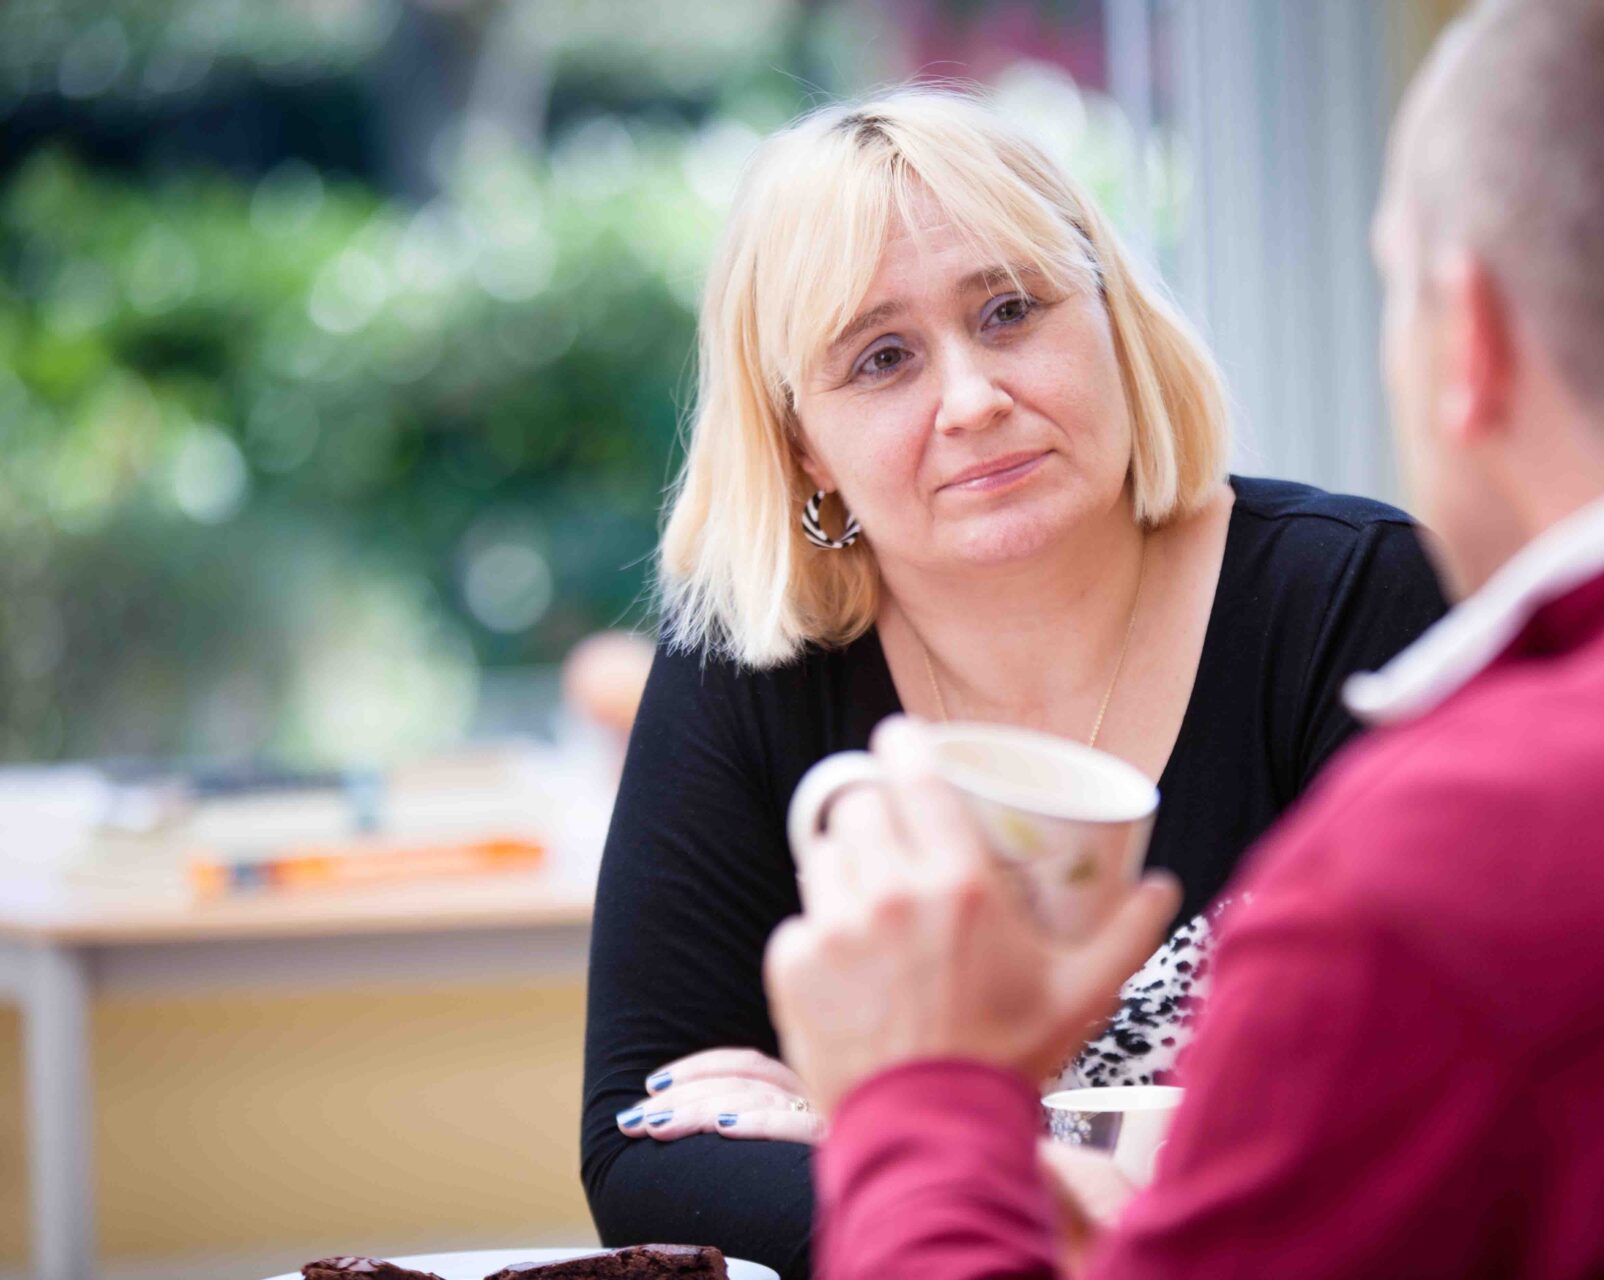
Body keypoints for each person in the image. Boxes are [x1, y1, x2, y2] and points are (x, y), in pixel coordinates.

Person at [764, 0, 1604, 1275]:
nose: (971, 400)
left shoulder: (1443, 878)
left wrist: (921, 1101)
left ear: (1465, 342)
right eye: (881, 358)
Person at [578, 90, 1448, 1276]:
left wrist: (885, 1135)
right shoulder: (747, 660)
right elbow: (645, 1149)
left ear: (1110, 319)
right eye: (883, 357)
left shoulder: (1353, 598)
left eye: (1010, 310)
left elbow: (1427, 1092)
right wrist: (1079, 1178)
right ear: (801, 445)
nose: (974, 399)